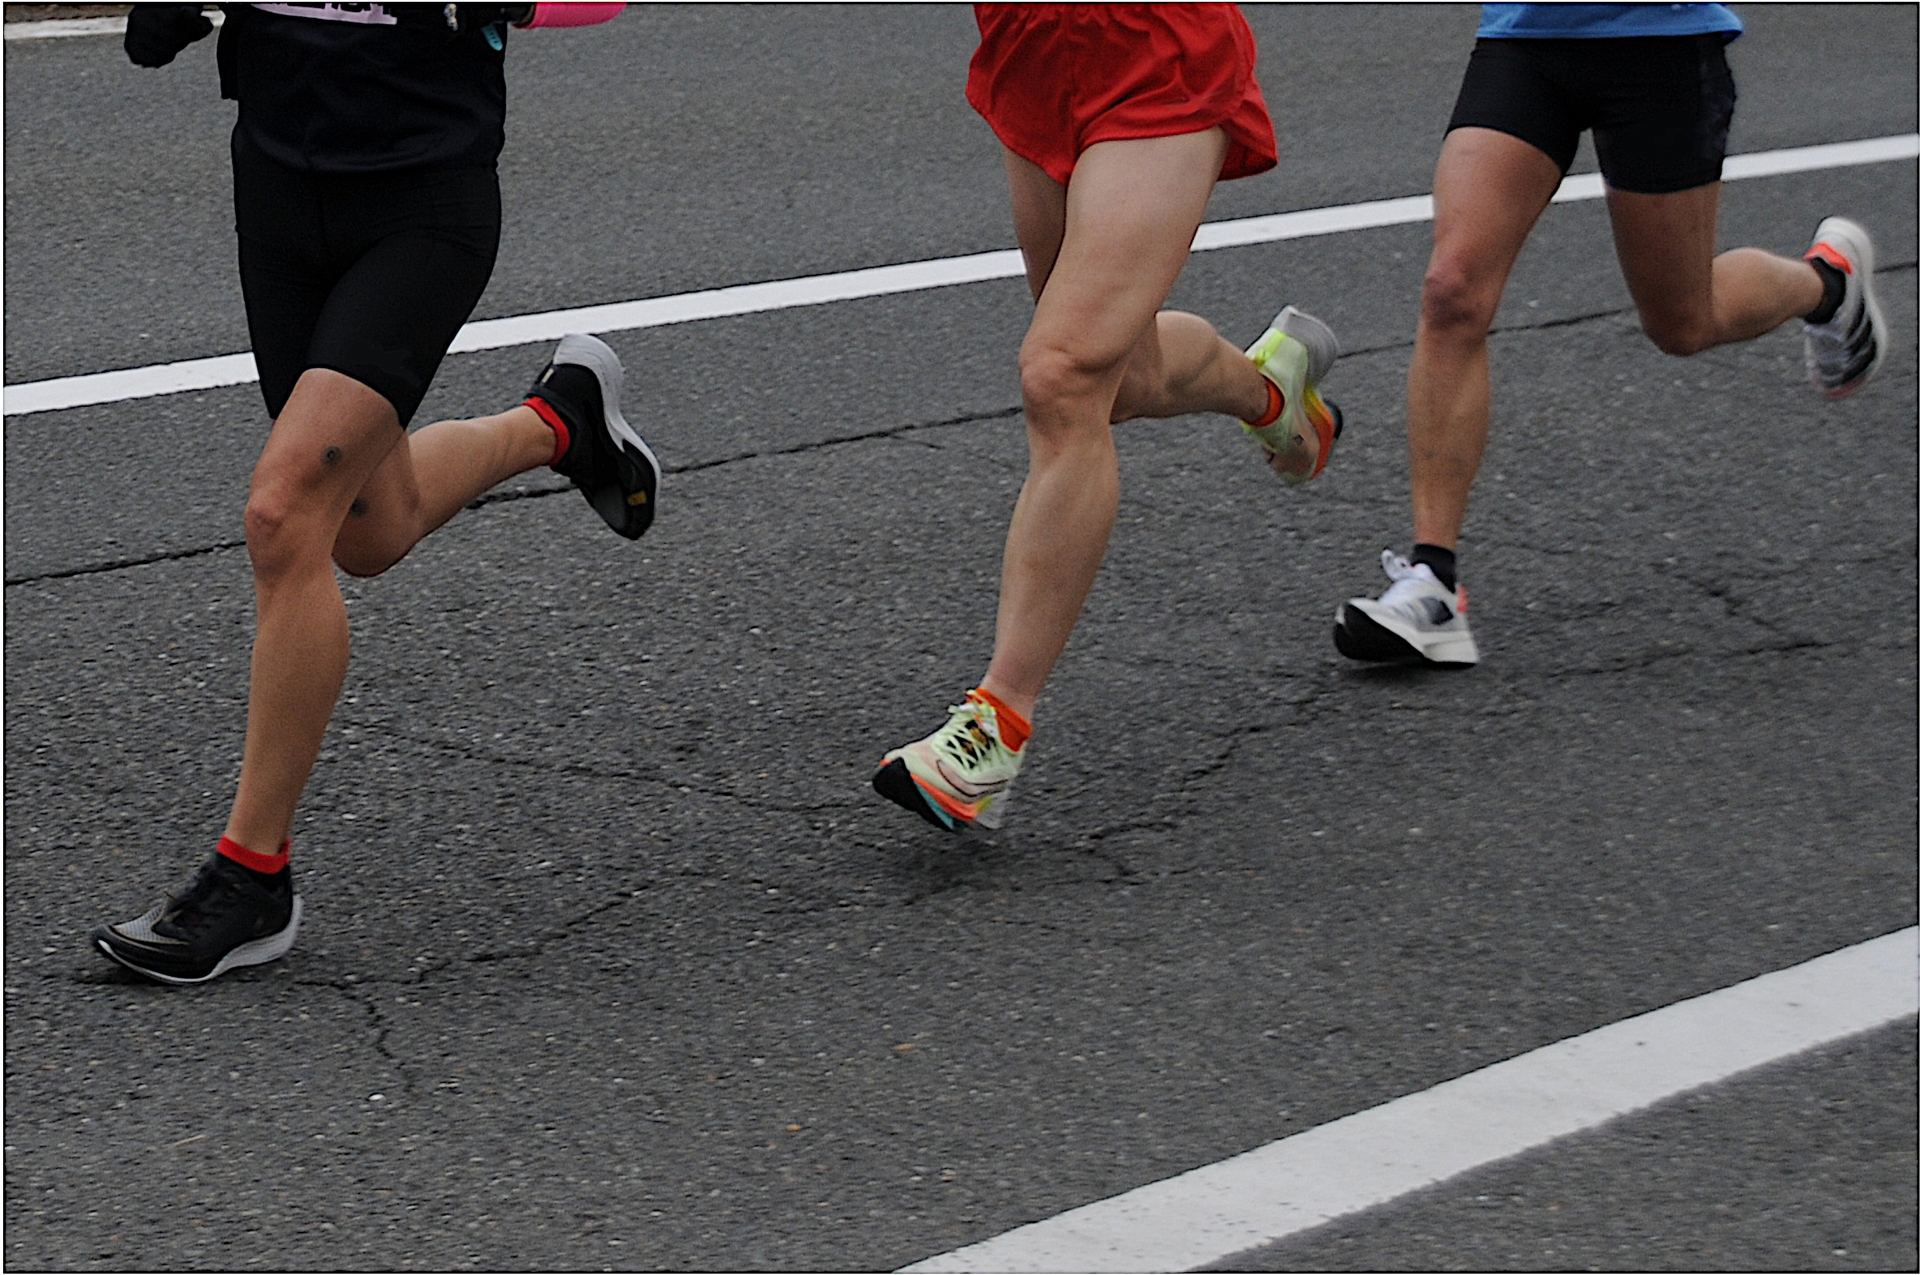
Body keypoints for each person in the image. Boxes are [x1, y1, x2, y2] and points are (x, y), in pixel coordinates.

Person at [93, 2, 654, 984]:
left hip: (422, 198)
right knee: (367, 524)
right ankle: (562, 422)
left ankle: (252, 875)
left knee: (284, 513)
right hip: (276, 174)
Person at [873, 4, 1343, 833]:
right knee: (1120, 380)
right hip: (1034, 51)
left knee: (1062, 376)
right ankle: (1268, 389)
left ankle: (995, 729)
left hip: (1155, 48)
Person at [1333, 2, 1888, 668]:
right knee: (1452, 291)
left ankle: (1827, 286)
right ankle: (1432, 584)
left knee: (1683, 321)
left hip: (1661, 40)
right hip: (1526, 40)